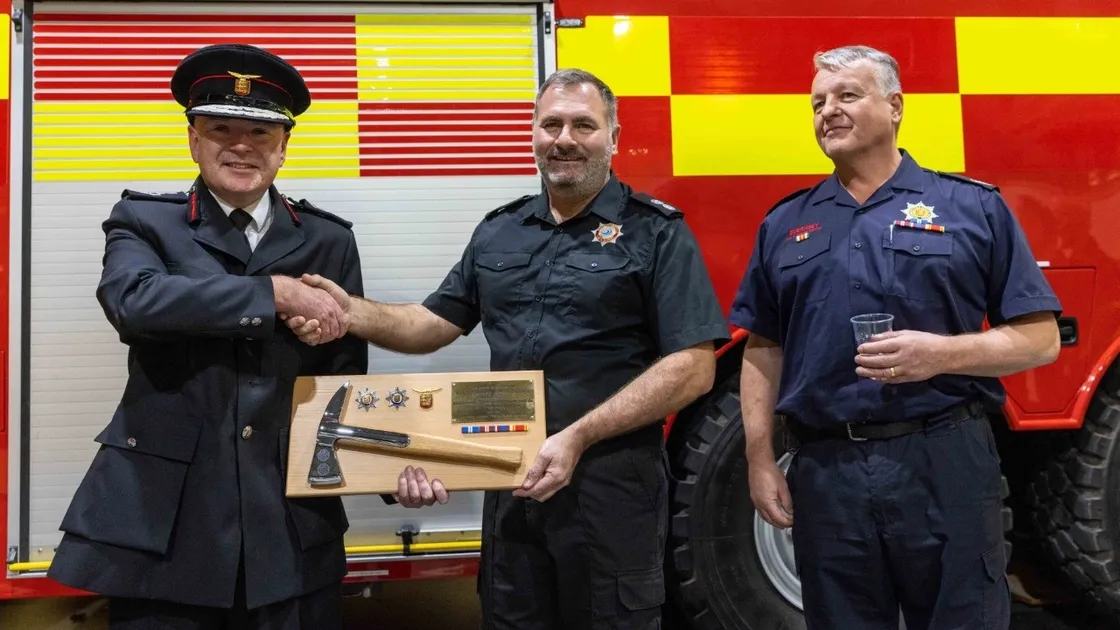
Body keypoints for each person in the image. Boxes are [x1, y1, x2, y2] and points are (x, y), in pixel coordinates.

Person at [282, 68, 730, 629]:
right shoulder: (500, 231)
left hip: (611, 489)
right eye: (551, 124)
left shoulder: (657, 233)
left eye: (583, 125)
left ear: (614, 138)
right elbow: (432, 323)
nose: (564, 137)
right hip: (509, 483)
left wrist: (578, 436)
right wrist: (347, 310)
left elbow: (693, 368)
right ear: (534, 135)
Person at [731, 45, 1062, 630]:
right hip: (826, 470)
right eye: (818, 102)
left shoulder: (969, 207)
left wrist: (942, 354)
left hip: (945, 460)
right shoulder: (785, 224)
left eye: (847, 96)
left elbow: (1040, 340)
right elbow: (763, 348)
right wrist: (760, 459)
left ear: (895, 106)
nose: (828, 111)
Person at [47, 44, 370, 629]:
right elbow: (133, 302)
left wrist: (388, 472)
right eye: (221, 128)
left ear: (284, 146)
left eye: (261, 131)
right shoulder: (144, 220)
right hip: (164, 523)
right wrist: (272, 295)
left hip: (291, 527)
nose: (241, 145)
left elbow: (343, 380)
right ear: (193, 139)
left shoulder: (330, 240)